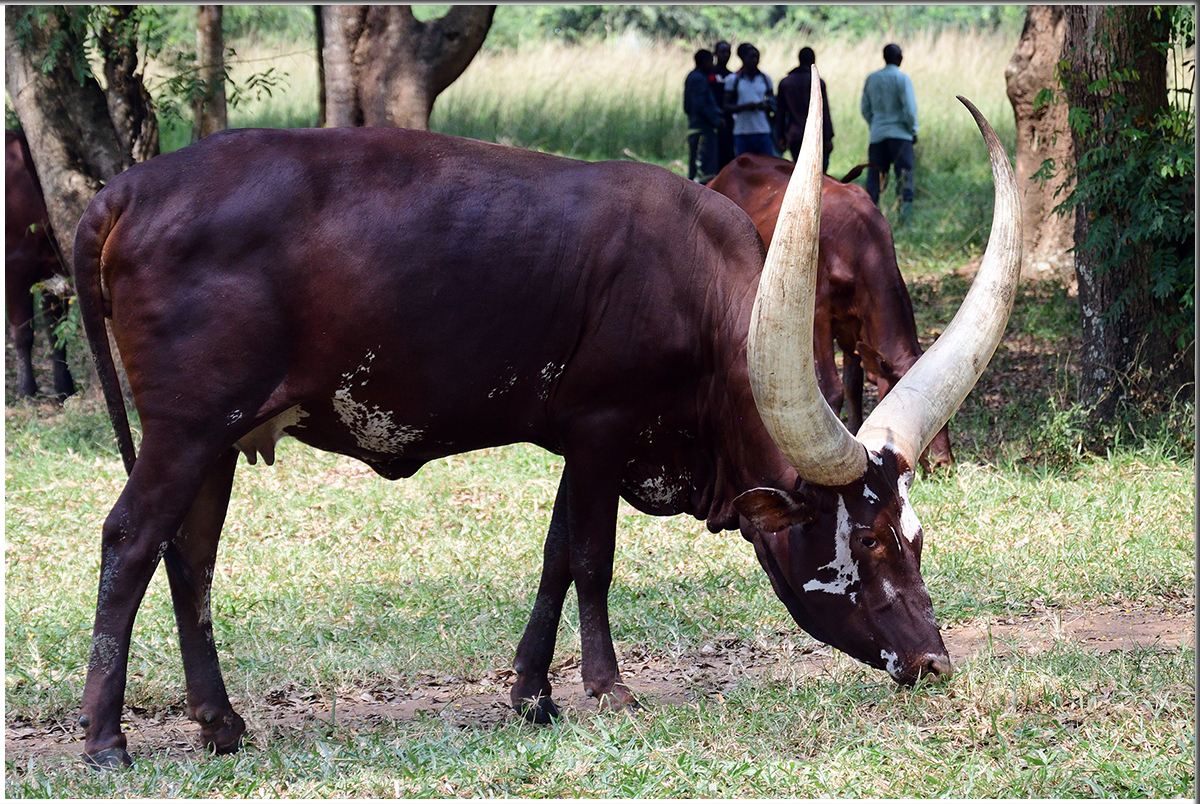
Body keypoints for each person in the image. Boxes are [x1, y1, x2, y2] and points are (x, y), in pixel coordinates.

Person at [861, 43, 918, 222]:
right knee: (904, 176)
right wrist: (913, 129)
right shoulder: (902, 79)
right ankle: (905, 218)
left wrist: (875, 124)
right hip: (900, 135)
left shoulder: (872, 78)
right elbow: (909, 109)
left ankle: (872, 218)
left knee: (876, 179)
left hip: (878, 135)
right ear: (899, 58)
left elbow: (865, 108)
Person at [775, 46, 834, 172]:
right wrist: (828, 137)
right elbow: (825, 112)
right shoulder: (817, 81)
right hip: (816, 134)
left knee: (800, 170)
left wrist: (780, 137)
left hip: (795, 134)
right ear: (813, 60)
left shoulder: (786, 83)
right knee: (820, 172)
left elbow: (780, 113)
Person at [723, 44, 777, 158]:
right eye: (751, 57)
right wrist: (745, 107)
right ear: (743, 59)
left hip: (762, 129)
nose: (755, 60)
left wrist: (765, 106)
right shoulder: (733, 80)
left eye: (757, 57)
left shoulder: (765, 79)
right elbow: (726, 105)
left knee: (765, 165)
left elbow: (773, 102)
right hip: (742, 131)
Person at [683, 49, 723, 183]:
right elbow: (700, 105)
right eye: (711, 62)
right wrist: (716, 120)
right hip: (702, 129)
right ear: (705, 62)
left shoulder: (693, 77)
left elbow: (687, 106)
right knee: (705, 169)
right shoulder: (698, 79)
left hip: (696, 127)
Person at [710, 40, 736, 171]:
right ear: (715, 53)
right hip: (712, 121)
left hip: (729, 121)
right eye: (723, 52)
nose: (726, 55)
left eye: (728, 52)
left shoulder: (732, 76)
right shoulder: (708, 74)